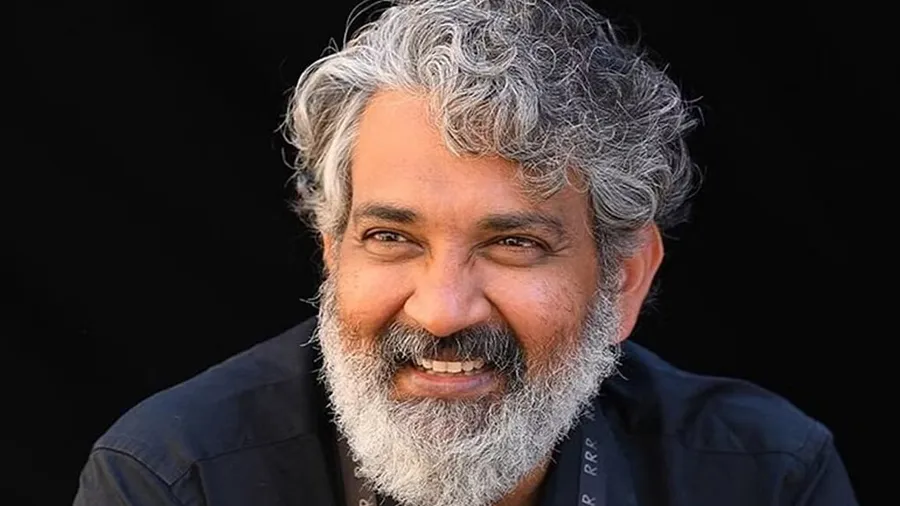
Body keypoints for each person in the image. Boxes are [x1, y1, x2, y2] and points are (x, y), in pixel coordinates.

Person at [73, 0, 859, 505]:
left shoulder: (765, 475)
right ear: (332, 256)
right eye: (391, 239)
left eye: (513, 243)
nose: (442, 311)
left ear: (622, 280)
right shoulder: (175, 478)